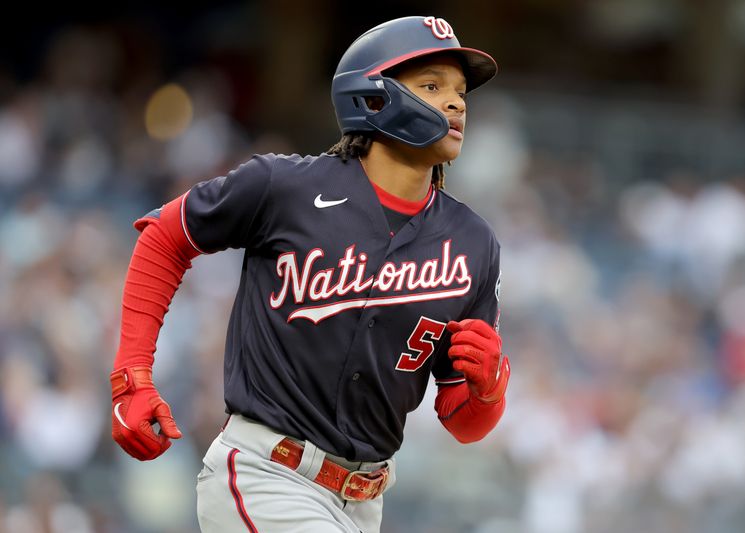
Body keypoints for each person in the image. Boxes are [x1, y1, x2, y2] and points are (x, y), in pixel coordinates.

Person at [109, 15, 511, 533]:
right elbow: (164, 237)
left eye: (461, 92)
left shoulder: (474, 243)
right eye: (432, 86)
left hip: (366, 503)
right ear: (372, 97)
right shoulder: (283, 187)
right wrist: (131, 377)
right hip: (266, 475)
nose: (457, 103)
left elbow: (463, 422)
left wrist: (489, 391)